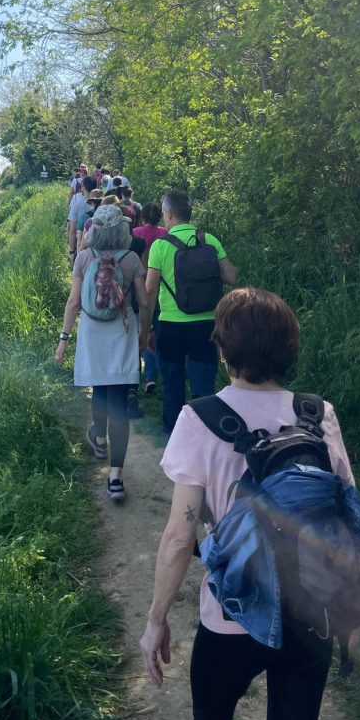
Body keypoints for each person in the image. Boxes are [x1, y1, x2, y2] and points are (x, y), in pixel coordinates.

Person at [140, 288, 356, 720]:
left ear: (223, 350)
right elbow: (348, 518)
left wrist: (156, 619)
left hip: (231, 615)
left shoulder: (199, 419)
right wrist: (352, 611)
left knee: (212, 718)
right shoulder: (318, 414)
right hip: (310, 616)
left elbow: (180, 537)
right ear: (288, 348)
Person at [55, 204, 149, 500]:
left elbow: (73, 302)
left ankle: (98, 436)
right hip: (122, 330)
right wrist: (144, 333)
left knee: (99, 388)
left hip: (92, 332)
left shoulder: (84, 258)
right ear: (122, 229)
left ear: (94, 228)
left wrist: (63, 340)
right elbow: (144, 302)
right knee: (119, 399)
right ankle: (116, 478)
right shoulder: (131, 258)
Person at [146, 189, 238, 434]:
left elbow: (150, 290)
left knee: (172, 386)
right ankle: (205, 436)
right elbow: (231, 276)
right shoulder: (209, 240)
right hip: (206, 324)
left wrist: (146, 329)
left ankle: (173, 435)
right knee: (203, 386)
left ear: (168, 214)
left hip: (170, 326)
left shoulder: (160, 246)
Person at [133, 202, 168, 395]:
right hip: (161, 287)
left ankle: (137, 375)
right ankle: (154, 374)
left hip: (139, 286)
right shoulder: (165, 233)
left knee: (140, 330)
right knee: (157, 332)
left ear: (143, 217)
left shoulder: (136, 233)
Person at [67, 175, 96, 265]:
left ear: (84, 187)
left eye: (82, 186)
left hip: (80, 244)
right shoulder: (100, 200)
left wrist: (72, 252)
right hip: (97, 247)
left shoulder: (76, 199)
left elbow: (72, 229)